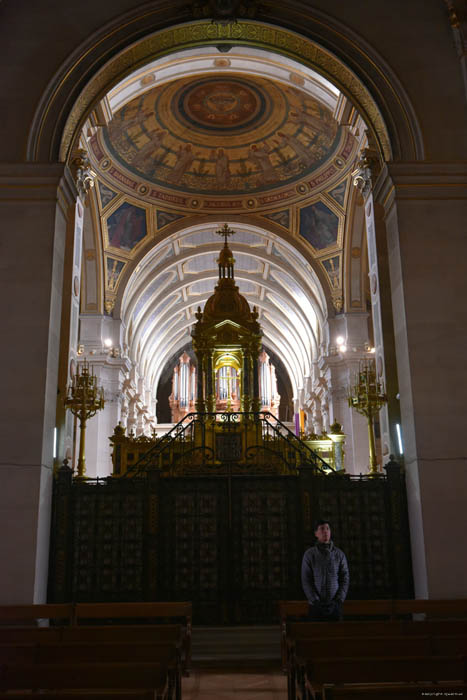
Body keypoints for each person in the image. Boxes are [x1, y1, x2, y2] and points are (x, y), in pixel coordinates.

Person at [301, 519, 349, 621]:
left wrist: (338, 600)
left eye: (327, 529)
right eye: (322, 529)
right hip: (316, 606)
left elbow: (345, 578)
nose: (326, 531)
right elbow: (306, 580)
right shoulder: (310, 555)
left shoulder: (339, 554)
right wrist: (315, 601)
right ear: (316, 534)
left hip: (335, 605)